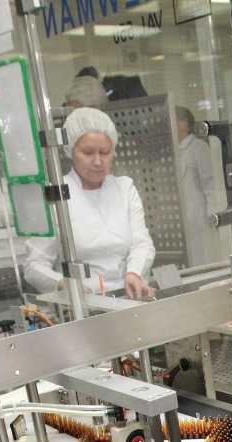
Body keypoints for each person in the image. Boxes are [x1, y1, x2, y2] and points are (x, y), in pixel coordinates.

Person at [22, 108, 155, 300]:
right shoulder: (54, 195)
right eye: (88, 152)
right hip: (81, 302)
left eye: (105, 152)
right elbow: (34, 265)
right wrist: (64, 283)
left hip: (128, 297)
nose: (98, 161)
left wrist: (134, 273)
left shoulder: (124, 188)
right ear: (70, 151)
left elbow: (141, 242)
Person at [174, 106, 220, 265]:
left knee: (201, 261)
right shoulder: (174, 149)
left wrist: (212, 220)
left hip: (199, 222)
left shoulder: (199, 148)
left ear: (183, 123)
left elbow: (211, 187)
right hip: (180, 223)